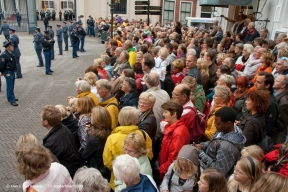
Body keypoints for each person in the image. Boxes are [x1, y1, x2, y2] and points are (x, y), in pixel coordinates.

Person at [103, 106, 153, 190]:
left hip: (117, 179)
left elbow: (107, 161)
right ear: (134, 120)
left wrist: (119, 170)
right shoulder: (143, 134)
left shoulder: (112, 138)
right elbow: (150, 155)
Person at [195, 107, 246, 177]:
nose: (215, 126)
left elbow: (218, 170)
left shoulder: (228, 148)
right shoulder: (222, 130)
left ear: (228, 124)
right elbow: (214, 142)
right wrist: (202, 145)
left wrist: (201, 153)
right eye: (215, 123)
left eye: (218, 124)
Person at [41, 105, 82, 178]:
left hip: (67, 173)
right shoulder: (63, 128)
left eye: (41, 117)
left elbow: (48, 163)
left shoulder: (52, 142)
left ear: (45, 122)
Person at [158, 100, 190, 180]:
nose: (163, 114)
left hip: (168, 172)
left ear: (174, 114)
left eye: (165, 112)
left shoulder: (178, 133)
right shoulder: (171, 128)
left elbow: (174, 158)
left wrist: (162, 169)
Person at [82, 106, 111, 179]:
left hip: (97, 171)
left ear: (97, 119)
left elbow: (84, 155)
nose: (90, 116)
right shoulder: (110, 132)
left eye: (92, 115)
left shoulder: (94, 139)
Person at [0, 40, 18, 106]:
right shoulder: (4, 55)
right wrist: (1, 72)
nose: (13, 47)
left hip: (11, 71)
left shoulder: (10, 53)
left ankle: (9, 97)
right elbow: (2, 65)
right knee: (10, 86)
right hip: (8, 72)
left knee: (10, 85)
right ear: (8, 47)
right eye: (11, 46)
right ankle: (12, 99)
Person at [272, 75, 288, 143]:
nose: (274, 82)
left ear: (283, 85)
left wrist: (268, 129)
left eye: (277, 81)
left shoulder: (284, 102)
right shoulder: (276, 95)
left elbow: (280, 124)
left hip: (275, 137)